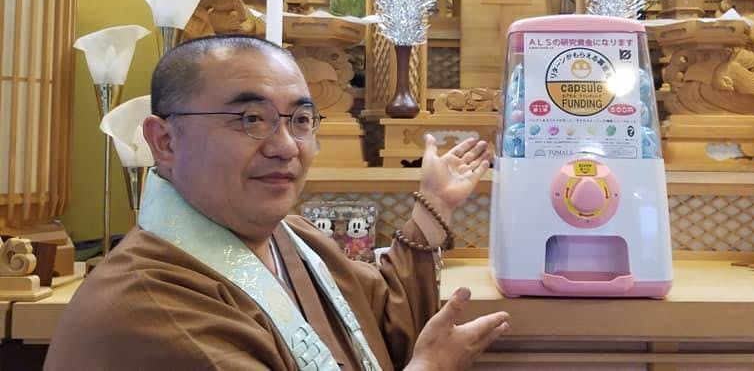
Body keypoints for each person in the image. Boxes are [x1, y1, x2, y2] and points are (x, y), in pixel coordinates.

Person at [45, 35, 509, 370]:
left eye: (301, 119)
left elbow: (383, 321)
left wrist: (433, 206)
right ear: (165, 141)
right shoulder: (146, 305)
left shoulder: (293, 238)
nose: (286, 146)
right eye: (251, 118)